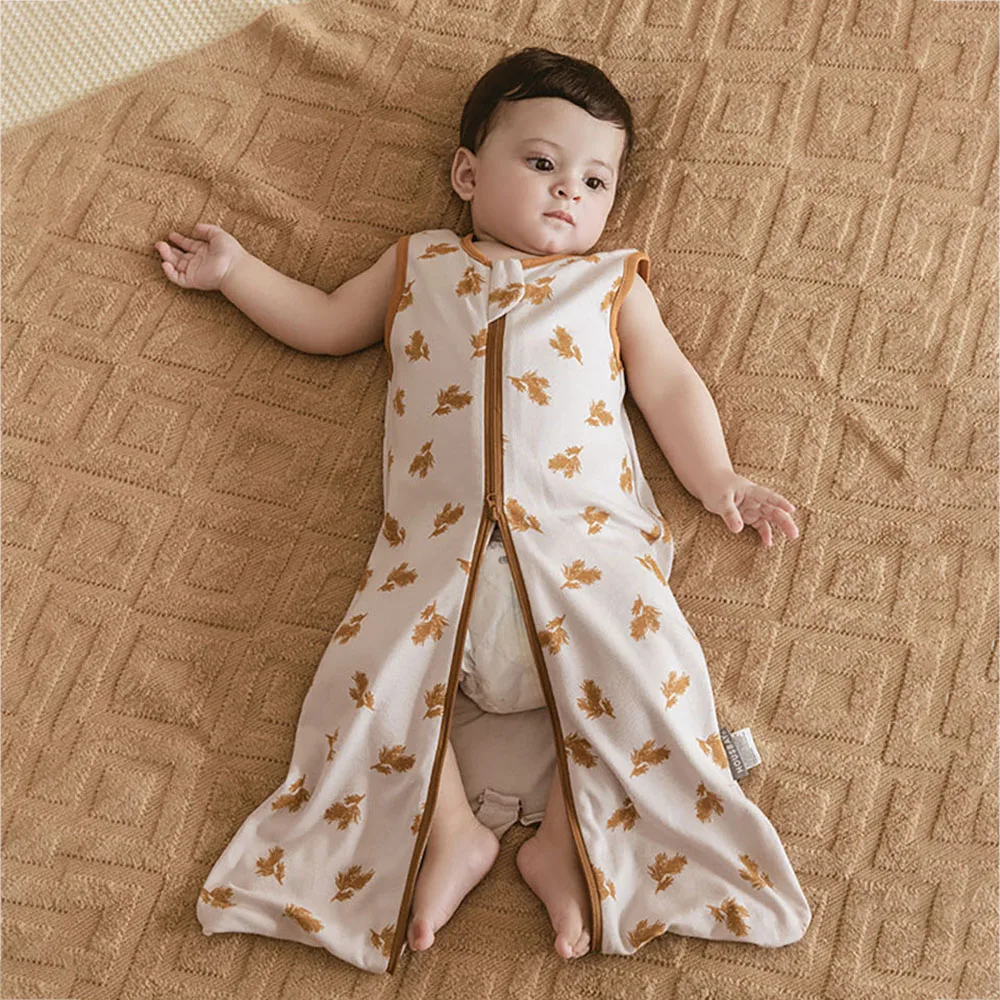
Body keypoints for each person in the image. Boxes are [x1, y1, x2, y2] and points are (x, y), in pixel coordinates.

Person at [159, 47, 801, 970]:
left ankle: (571, 837)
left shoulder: (610, 284)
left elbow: (668, 385)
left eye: (595, 180)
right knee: (368, 687)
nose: (568, 191)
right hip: (436, 561)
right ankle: (450, 825)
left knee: (646, 676)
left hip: (584, 556)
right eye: (542, 163)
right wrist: (237, 273)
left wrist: (721, 479)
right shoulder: (416, 264)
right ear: (467, 174)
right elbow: (326, 323)